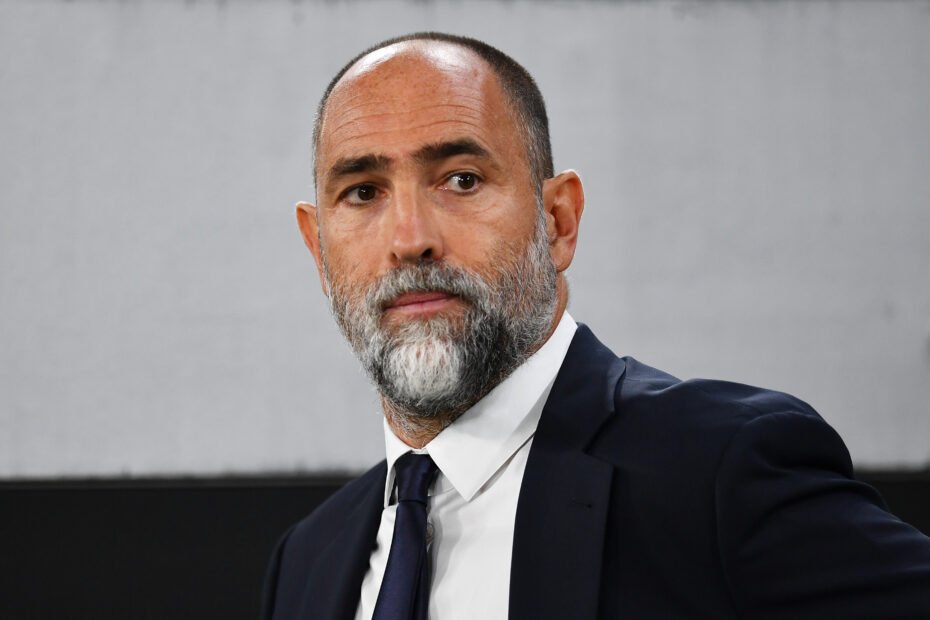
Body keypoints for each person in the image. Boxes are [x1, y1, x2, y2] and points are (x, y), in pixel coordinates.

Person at [262, 32, 930, 619]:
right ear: (318, 251)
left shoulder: (722, 471)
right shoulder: (308, 560)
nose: (410, 239)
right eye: (363, 192)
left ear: (558, 221)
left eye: (461, 180)